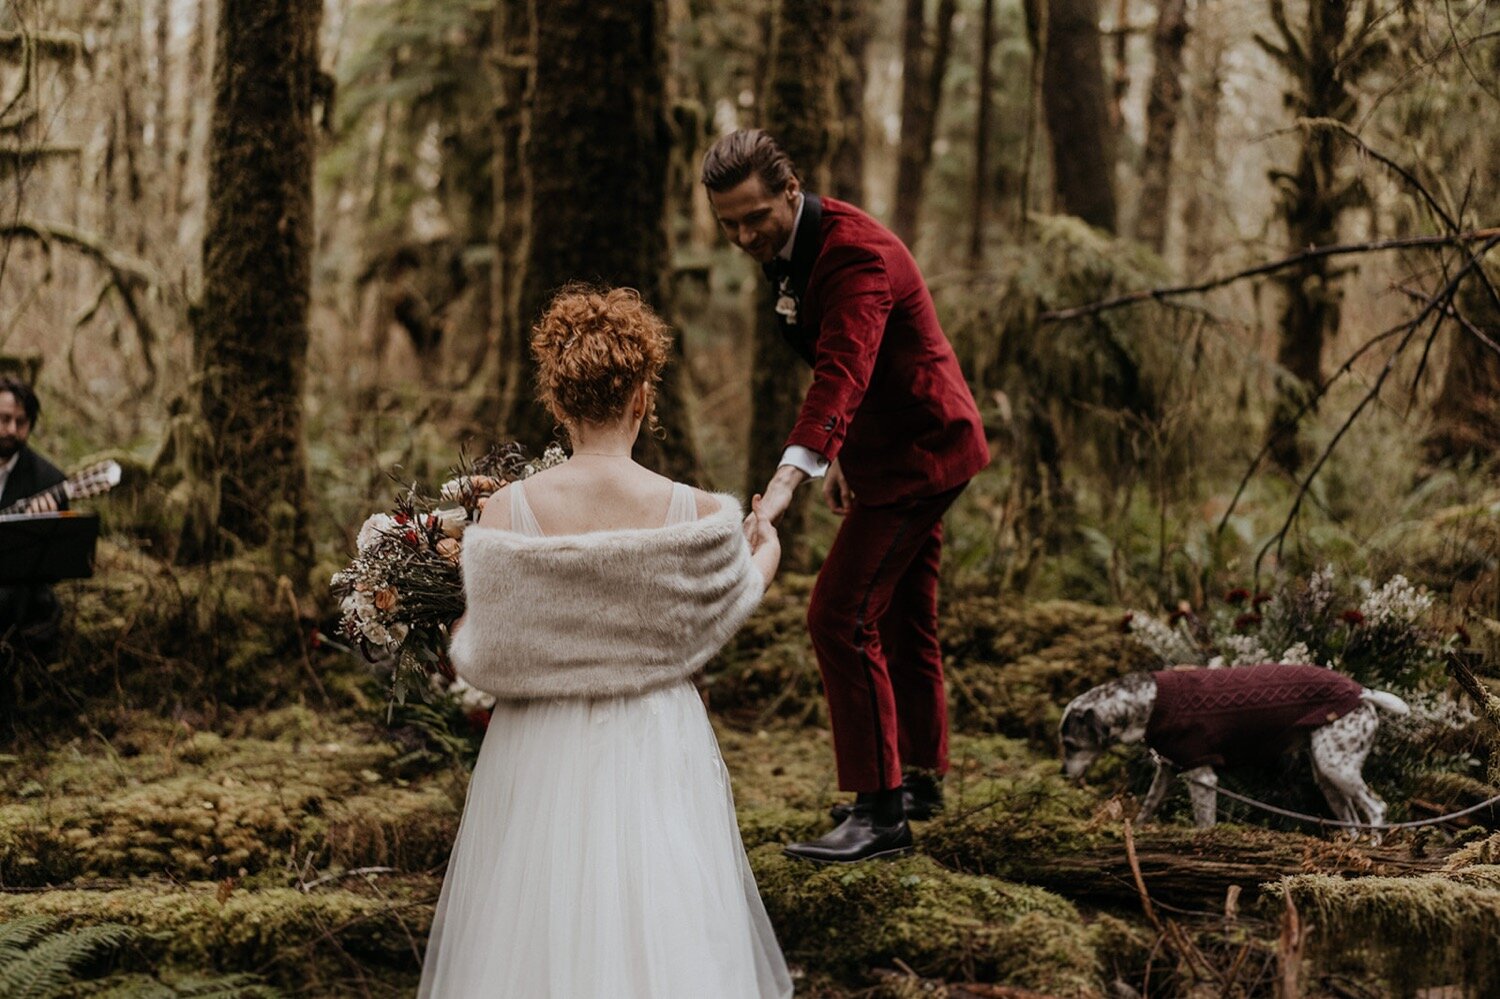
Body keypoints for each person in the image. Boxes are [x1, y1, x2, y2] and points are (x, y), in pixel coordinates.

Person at [418, 285, 792, 999]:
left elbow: (482, 655)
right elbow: (728, 603)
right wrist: (764, 548)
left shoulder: (505, 508)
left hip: (537, 745)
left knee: (534, 935)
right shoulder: (697, 510)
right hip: (656, 736)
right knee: (664, 920)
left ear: (557, 405)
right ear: (642, 400)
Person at [702, 129, 990, 863]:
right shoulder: (792, 251)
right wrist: (849, 458)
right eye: (728, 223)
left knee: (838, 614)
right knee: (902, 616)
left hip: (923, 451)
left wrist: (789, 479)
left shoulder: (855, 253)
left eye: (754, 217)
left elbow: (844, 371)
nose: (743, 234)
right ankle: (918, 776)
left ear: (791, 190)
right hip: (893, 449)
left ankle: (880, 812)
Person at [0, 376, 67, 647]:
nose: (11, 430)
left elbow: (56, 573)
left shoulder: (49, 482)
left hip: (15, 608)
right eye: (3, 419)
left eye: (21, 422)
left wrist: (44, 526)